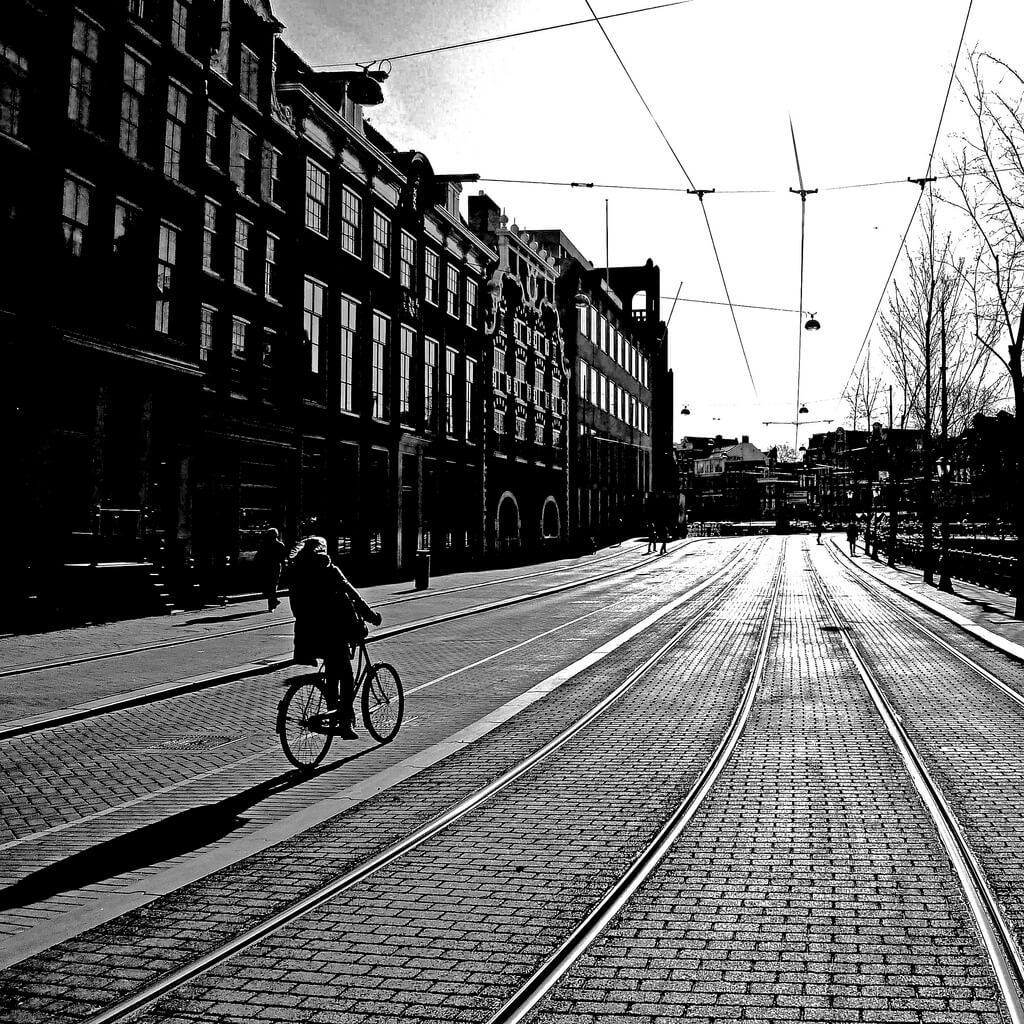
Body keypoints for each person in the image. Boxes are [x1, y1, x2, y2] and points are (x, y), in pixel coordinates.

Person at [287, 536, 381, 740]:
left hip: (307, 636)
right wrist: (372, 616)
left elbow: (295, 605)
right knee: (346, 676)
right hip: (333, 632)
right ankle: (345, 722)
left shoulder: (297, 571)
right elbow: (354, 596)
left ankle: (333, 714)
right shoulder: (330, 569)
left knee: (332, 671)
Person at [256, 528, 288, 611]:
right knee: (271, 585)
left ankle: (272, 603)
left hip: (271, 566)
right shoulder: (277, 545)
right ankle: (274, 601)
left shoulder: (276, 545)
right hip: (272, 566)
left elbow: (259, 555)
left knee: (271, 585)